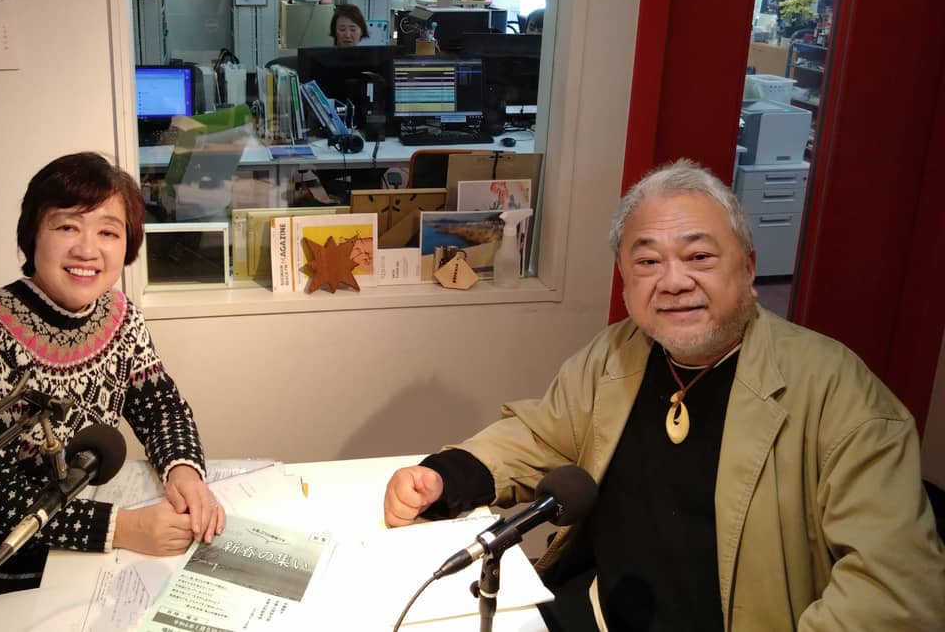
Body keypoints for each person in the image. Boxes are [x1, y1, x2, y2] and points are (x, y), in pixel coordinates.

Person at [384, 159, 945, 631]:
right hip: (599, 611)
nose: (673, 282)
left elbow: (891, 590)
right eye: (648, 262)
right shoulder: (618, 352)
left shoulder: (839, 394)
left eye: (699, 257)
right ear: (625, 280)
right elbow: (543, 433)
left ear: (749, 269)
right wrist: (446, 476)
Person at [0, 152, 224, 630]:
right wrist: (123, 529)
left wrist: (184, 471)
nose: (87, 249)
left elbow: (161, 407)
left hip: (55, 535)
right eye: (67, 227)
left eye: (108, 232)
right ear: (33, 235)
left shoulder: (120, 316)